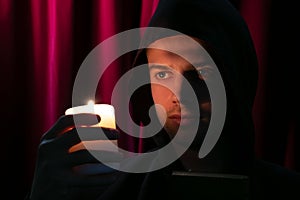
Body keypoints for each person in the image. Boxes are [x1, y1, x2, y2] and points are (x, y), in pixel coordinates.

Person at [27, 0, 300, 199]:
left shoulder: (287, 192)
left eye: (200, 73)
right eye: (161, 73)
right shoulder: (112, 191)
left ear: (237, 77)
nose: (180, 95)